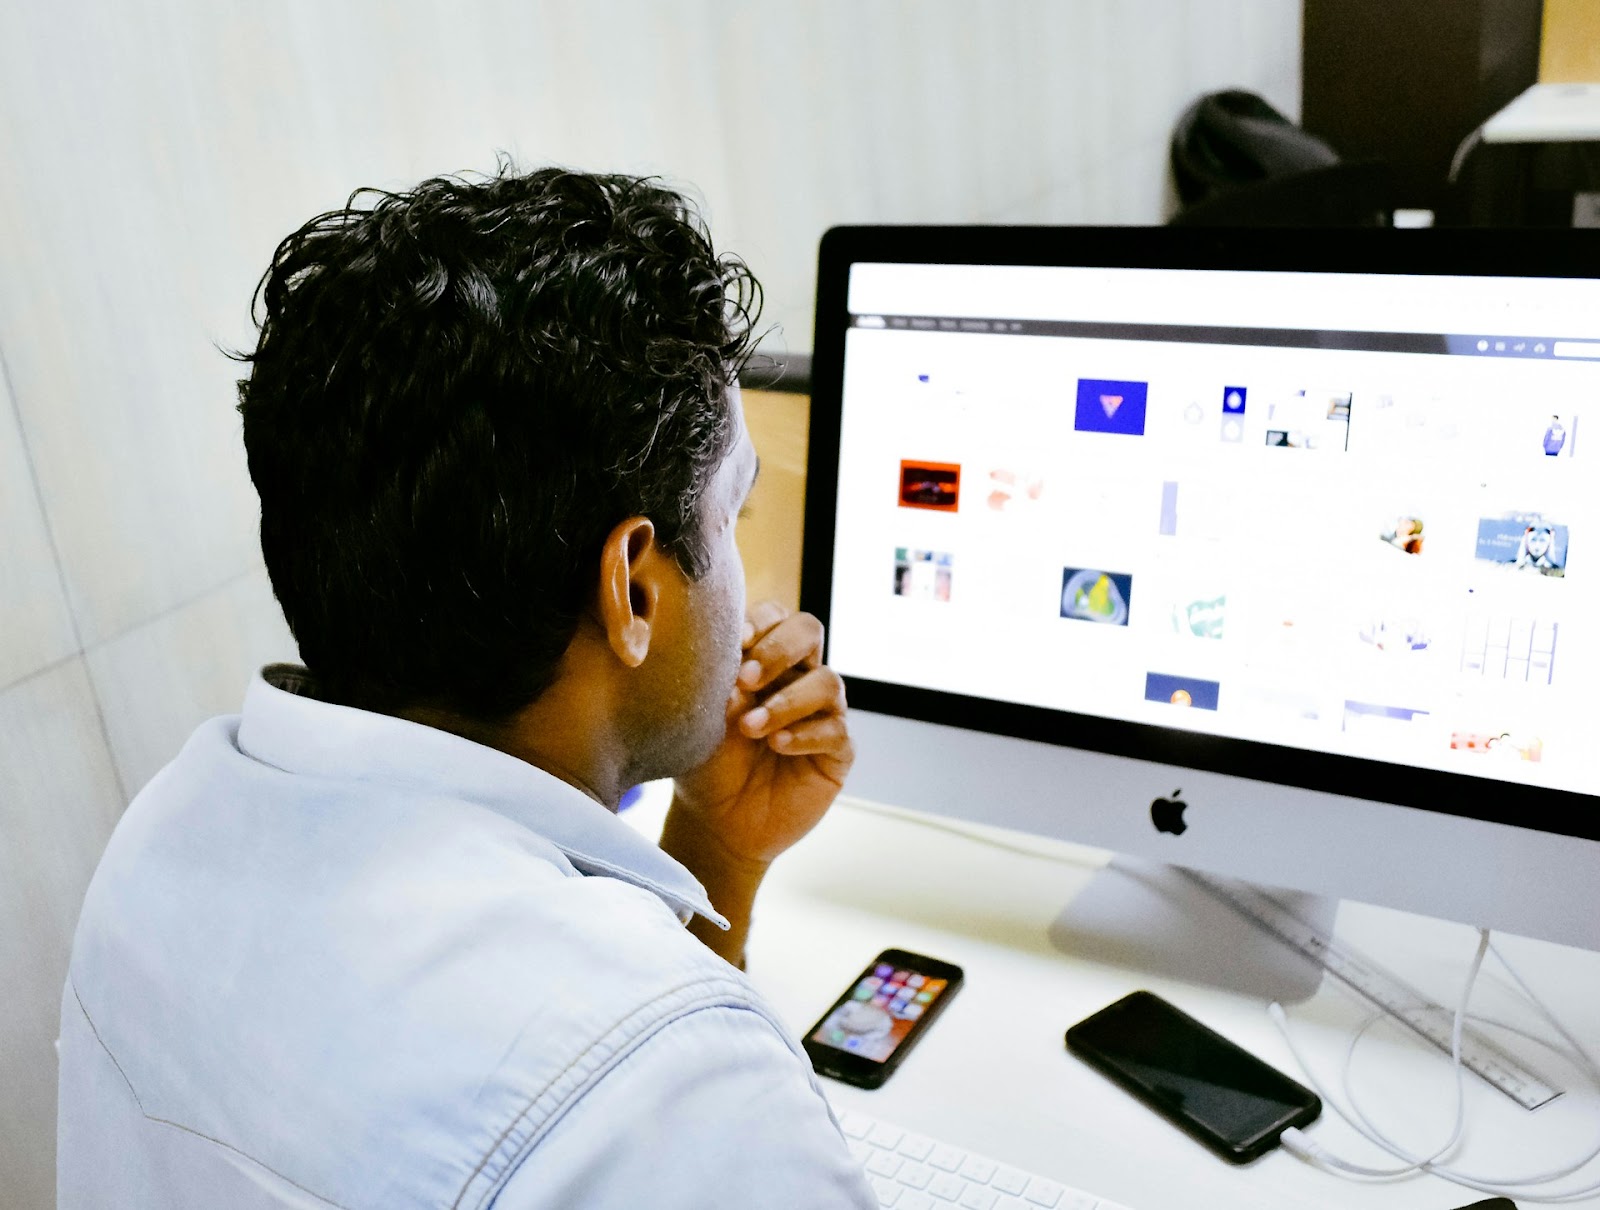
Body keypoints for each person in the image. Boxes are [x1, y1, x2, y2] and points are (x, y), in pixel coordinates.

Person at [56, 167, 876, 1209]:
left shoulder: (160, 843)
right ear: (631, 585)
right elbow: (626, 1081)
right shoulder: (678, 1083)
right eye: (730, 519)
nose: (744, 582)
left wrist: (719, 849)